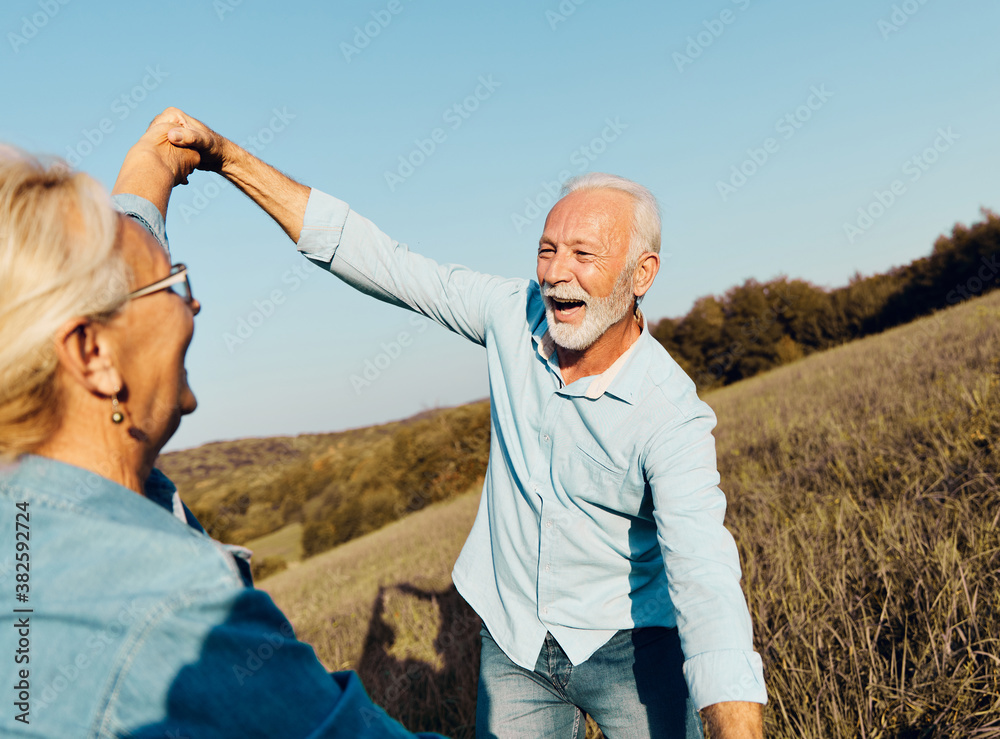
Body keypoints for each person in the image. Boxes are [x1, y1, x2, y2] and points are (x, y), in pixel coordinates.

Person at [162, 108, 768, 739]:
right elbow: (381, 260)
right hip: (513, 642)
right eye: (547, 249)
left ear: (641, 274)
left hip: (633, 648)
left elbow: (705, 576)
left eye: (584, 254)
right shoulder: (512, 314)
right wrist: (228, 158)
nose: (557, 272)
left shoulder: (671, 415)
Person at [0, 115, 444, 739]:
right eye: (175, 282)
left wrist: (154, 163)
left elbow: (124, 253)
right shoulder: (173, 609)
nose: (195, 303)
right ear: (92, 355)